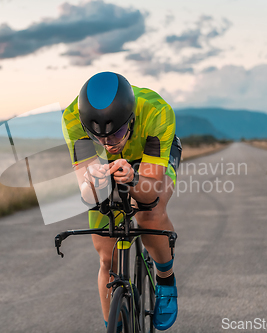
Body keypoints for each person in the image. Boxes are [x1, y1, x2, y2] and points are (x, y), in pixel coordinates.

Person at [62, 71, 181, 331]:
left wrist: (133, 180)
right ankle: (113, 325)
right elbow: (87, 194)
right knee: (107, 258)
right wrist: (94, 184)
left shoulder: (156, 111)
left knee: (149, 213)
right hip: (104, 168)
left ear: (132, 118)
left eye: (116, 134)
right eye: (98, 138)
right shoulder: (72, 117)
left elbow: (149, 193)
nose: (108, 144)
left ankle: (165, 280)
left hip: (151, 158)